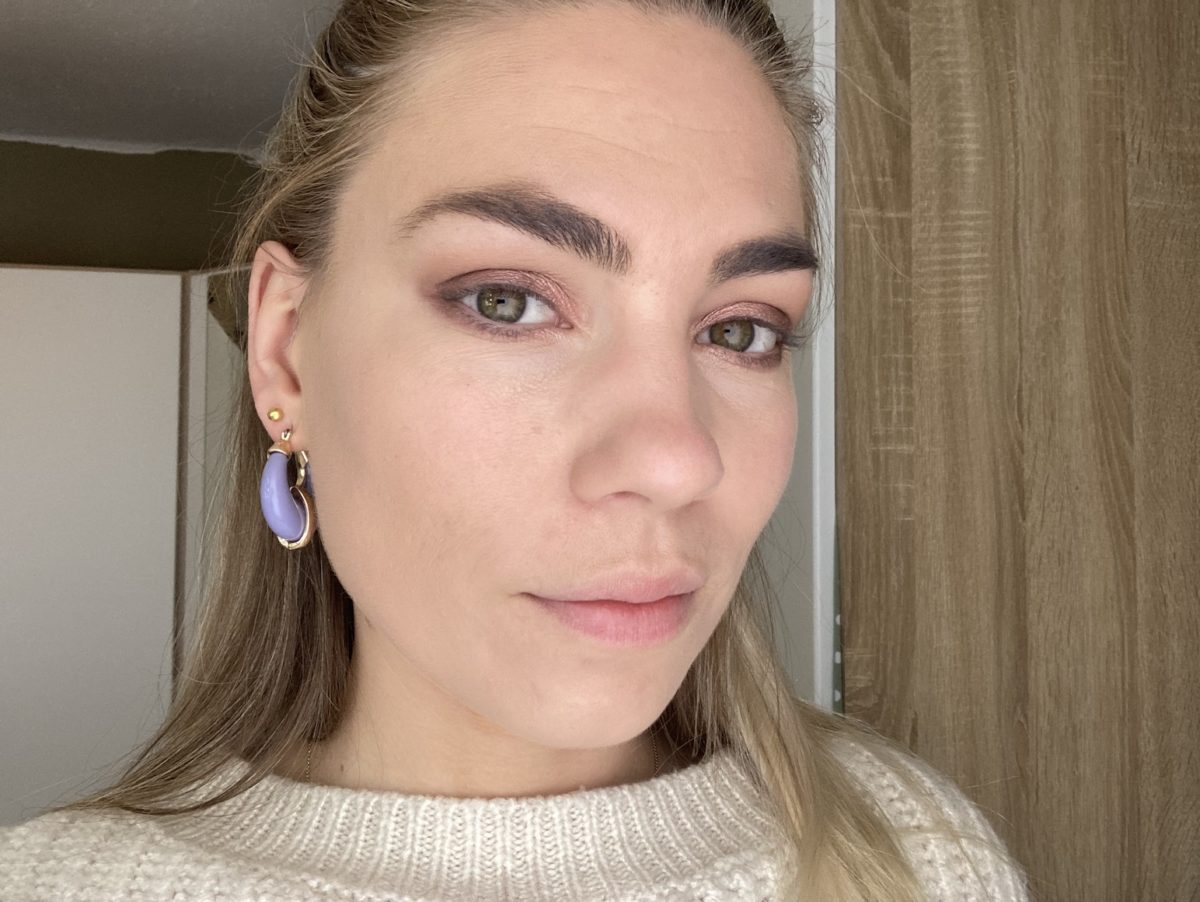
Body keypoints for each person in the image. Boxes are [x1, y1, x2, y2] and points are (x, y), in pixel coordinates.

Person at [0, 1, 1030, 899]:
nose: (677, 460)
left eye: (740, 329)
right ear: (286, 355)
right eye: (508, 301)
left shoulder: (916, 857)